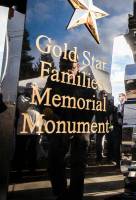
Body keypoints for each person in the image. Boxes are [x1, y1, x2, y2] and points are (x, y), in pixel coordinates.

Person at [41, 52, 95, 200]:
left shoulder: (86, 81)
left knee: (78, 163)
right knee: (54, 162)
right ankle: (61, 193)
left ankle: (76, 195)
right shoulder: (53, 79)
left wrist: (82, 124)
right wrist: (48, 113)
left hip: (80, 126)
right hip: (58, 126)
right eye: (64, 68)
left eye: (71, 68)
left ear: (77, 65)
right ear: (60, 67)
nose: (68, 72)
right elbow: (43, 101)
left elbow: (94, 106)